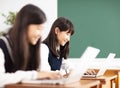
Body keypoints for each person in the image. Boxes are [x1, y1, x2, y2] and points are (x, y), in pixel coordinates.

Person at [0, 4, 62, 87]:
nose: (40, 34)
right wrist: (36, 75)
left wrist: (49, 75)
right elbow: (1, 79)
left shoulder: (33, 47)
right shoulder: (2, 45)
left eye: (42, 30)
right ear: (24, 25)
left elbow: (41, 71)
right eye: (38, 28)